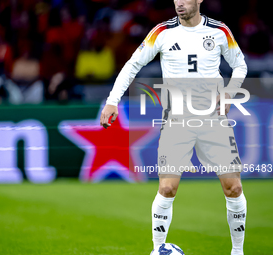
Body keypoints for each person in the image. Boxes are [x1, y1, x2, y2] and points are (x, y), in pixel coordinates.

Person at [100, 0, 247, 255]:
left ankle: (237, 252)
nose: (179, 3)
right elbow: (133, 64)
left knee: (233, 187)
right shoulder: (162, 32)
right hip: (176, 120)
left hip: (213, 120)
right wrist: (112, 101)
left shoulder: (220, 31)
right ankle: (157, 250)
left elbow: (240, 65)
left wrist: (230, 93)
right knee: (167, 188)